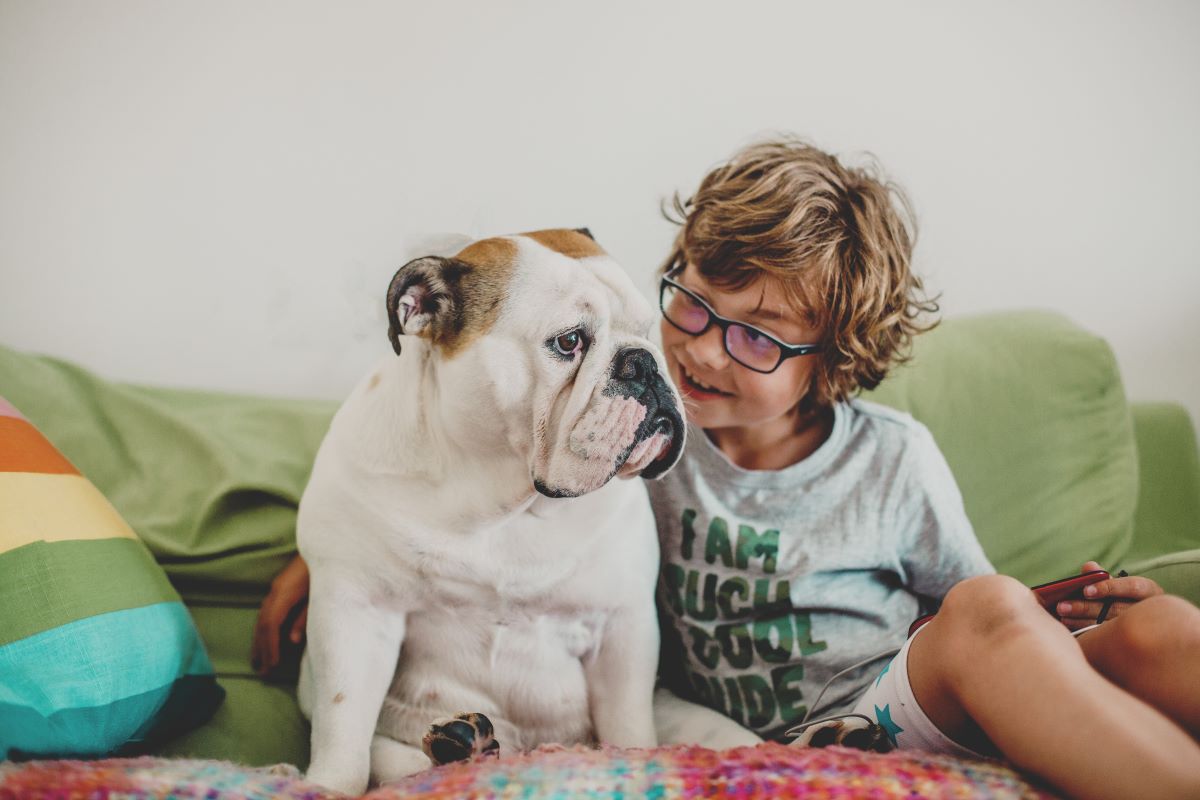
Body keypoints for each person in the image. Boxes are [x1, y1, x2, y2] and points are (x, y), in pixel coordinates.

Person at [255, 138, 1200, 799]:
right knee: (1009, 623)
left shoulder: (893, 460)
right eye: (693, 305)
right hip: (799, 741)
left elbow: (972, 606)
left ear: (833, 363)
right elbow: (464, 502)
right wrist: (325, 554)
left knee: (1145, 633)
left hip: (896, 698)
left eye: (756, 338)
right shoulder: (633, 443)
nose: (703, 353)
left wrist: (1043, 611)